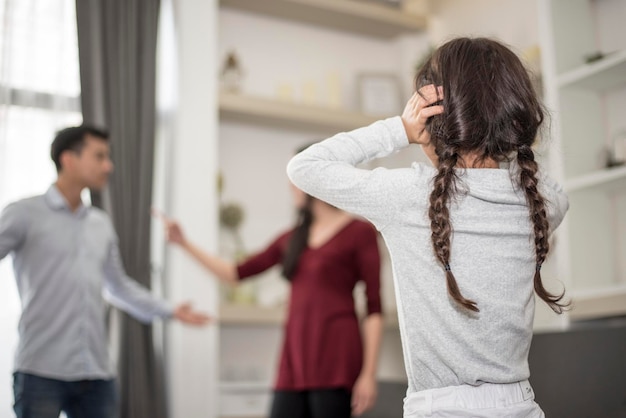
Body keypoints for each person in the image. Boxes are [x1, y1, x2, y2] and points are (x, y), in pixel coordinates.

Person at [286, 37, 570, 418]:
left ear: (436, 116)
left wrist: (401, 129)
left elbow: (305, 167)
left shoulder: (409, 196)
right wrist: (498, 138)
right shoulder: (538, 203)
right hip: (521, 406)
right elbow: (549, 187)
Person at [0, 125, 210, 418]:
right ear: (68, 159)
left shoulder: (100, 224)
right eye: (99, 156)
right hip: (40, 371)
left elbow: (119, 287)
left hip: (96, 375)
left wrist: (170, 310)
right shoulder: (23, 214)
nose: (108, 165)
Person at [157, 165, 383, 418]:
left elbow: (374, 307)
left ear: (315, 179)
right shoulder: (293, 237)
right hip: (295, 356)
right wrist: (183, 243)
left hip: (336, 356)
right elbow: (235, 273)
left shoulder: (359, 233)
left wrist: (368, 374)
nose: (290, 187)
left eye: (294, 179)